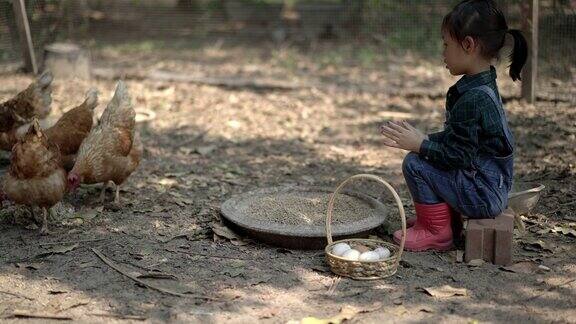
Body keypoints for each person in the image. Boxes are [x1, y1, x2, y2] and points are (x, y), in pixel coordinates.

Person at [380, 0, 527, 252]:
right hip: (489, 184)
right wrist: (426, 139)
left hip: (483, 194)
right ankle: (443, 221)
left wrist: (421, 146)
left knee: (414, 164)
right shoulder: (482, 84)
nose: (443, 53)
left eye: (446, 45)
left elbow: (458, 156)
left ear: (468, 45)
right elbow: (462, 140)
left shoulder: (473, 98)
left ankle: (437, 232)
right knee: (422, 156)